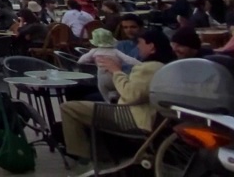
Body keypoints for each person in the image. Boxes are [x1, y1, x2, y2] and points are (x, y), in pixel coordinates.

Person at [61, 29, 175, 164]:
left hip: (130, 118)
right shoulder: (165, 66)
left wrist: (116, 71)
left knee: (68, 107)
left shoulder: (149, 68)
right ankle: (99, 154)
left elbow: (131, 94)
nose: (137, 46)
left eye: (140, 43)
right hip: (141, 114)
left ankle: (83, 156)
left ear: (151, 46)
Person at [79, 28, 142, 101]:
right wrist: (141, 64)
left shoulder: (94, 51)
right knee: (120, 91)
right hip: (116, 77)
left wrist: (92, 61)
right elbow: (128, 59)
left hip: (102, 78)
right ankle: (117, 99)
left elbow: (81, 61)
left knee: (104, 92)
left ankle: (108, 102)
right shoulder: (115, 51)